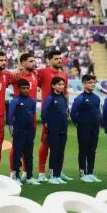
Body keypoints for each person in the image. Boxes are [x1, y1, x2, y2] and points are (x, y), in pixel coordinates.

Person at [37, 50, 72, 182]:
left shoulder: (63, 74)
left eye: (60, 58)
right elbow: (32, 80)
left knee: (61, 145)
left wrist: (66, 107)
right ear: (50, 60)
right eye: (56, 58)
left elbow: (66, 92)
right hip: (49, 113)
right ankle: (41, 173)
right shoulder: (42, 72)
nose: (59, 60)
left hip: (61, 114)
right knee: (46, 143)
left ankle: (58, 172)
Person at [9, 53, 39, 181]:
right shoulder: (17, 75)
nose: (34, 63)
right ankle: (13, 173)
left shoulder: (35, 74)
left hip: (31, 119)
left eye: (34, 61)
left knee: (29, 148)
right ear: (23, 63)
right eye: (31, 61)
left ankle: (28, 174)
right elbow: (4, 80)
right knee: (17, 148)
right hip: (19, 119)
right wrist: (14, 70)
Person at [70, 75, 101, 183]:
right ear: (84, 84)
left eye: (94, 82)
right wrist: (79, 124)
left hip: (95, 128)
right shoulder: (79, 98)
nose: (92, 84)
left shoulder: (96, 97)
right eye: (89, 82)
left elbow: (98, 112)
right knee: (83, 150)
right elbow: (73, 114)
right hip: (83, 128)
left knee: (92, 150)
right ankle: (83, 174)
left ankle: (90, 173)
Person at [41, 77, 68, 185]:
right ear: (53, 86)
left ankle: (57, 174)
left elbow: (65, 111)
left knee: (60, 152)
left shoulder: (63, 98)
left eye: (62, 84)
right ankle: (52, 176)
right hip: (53, 129)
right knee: (54, 152)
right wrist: (48, 125)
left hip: (63, 129)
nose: (61, 86)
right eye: (59, 84)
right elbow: (44, 113)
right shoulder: (50, 98)